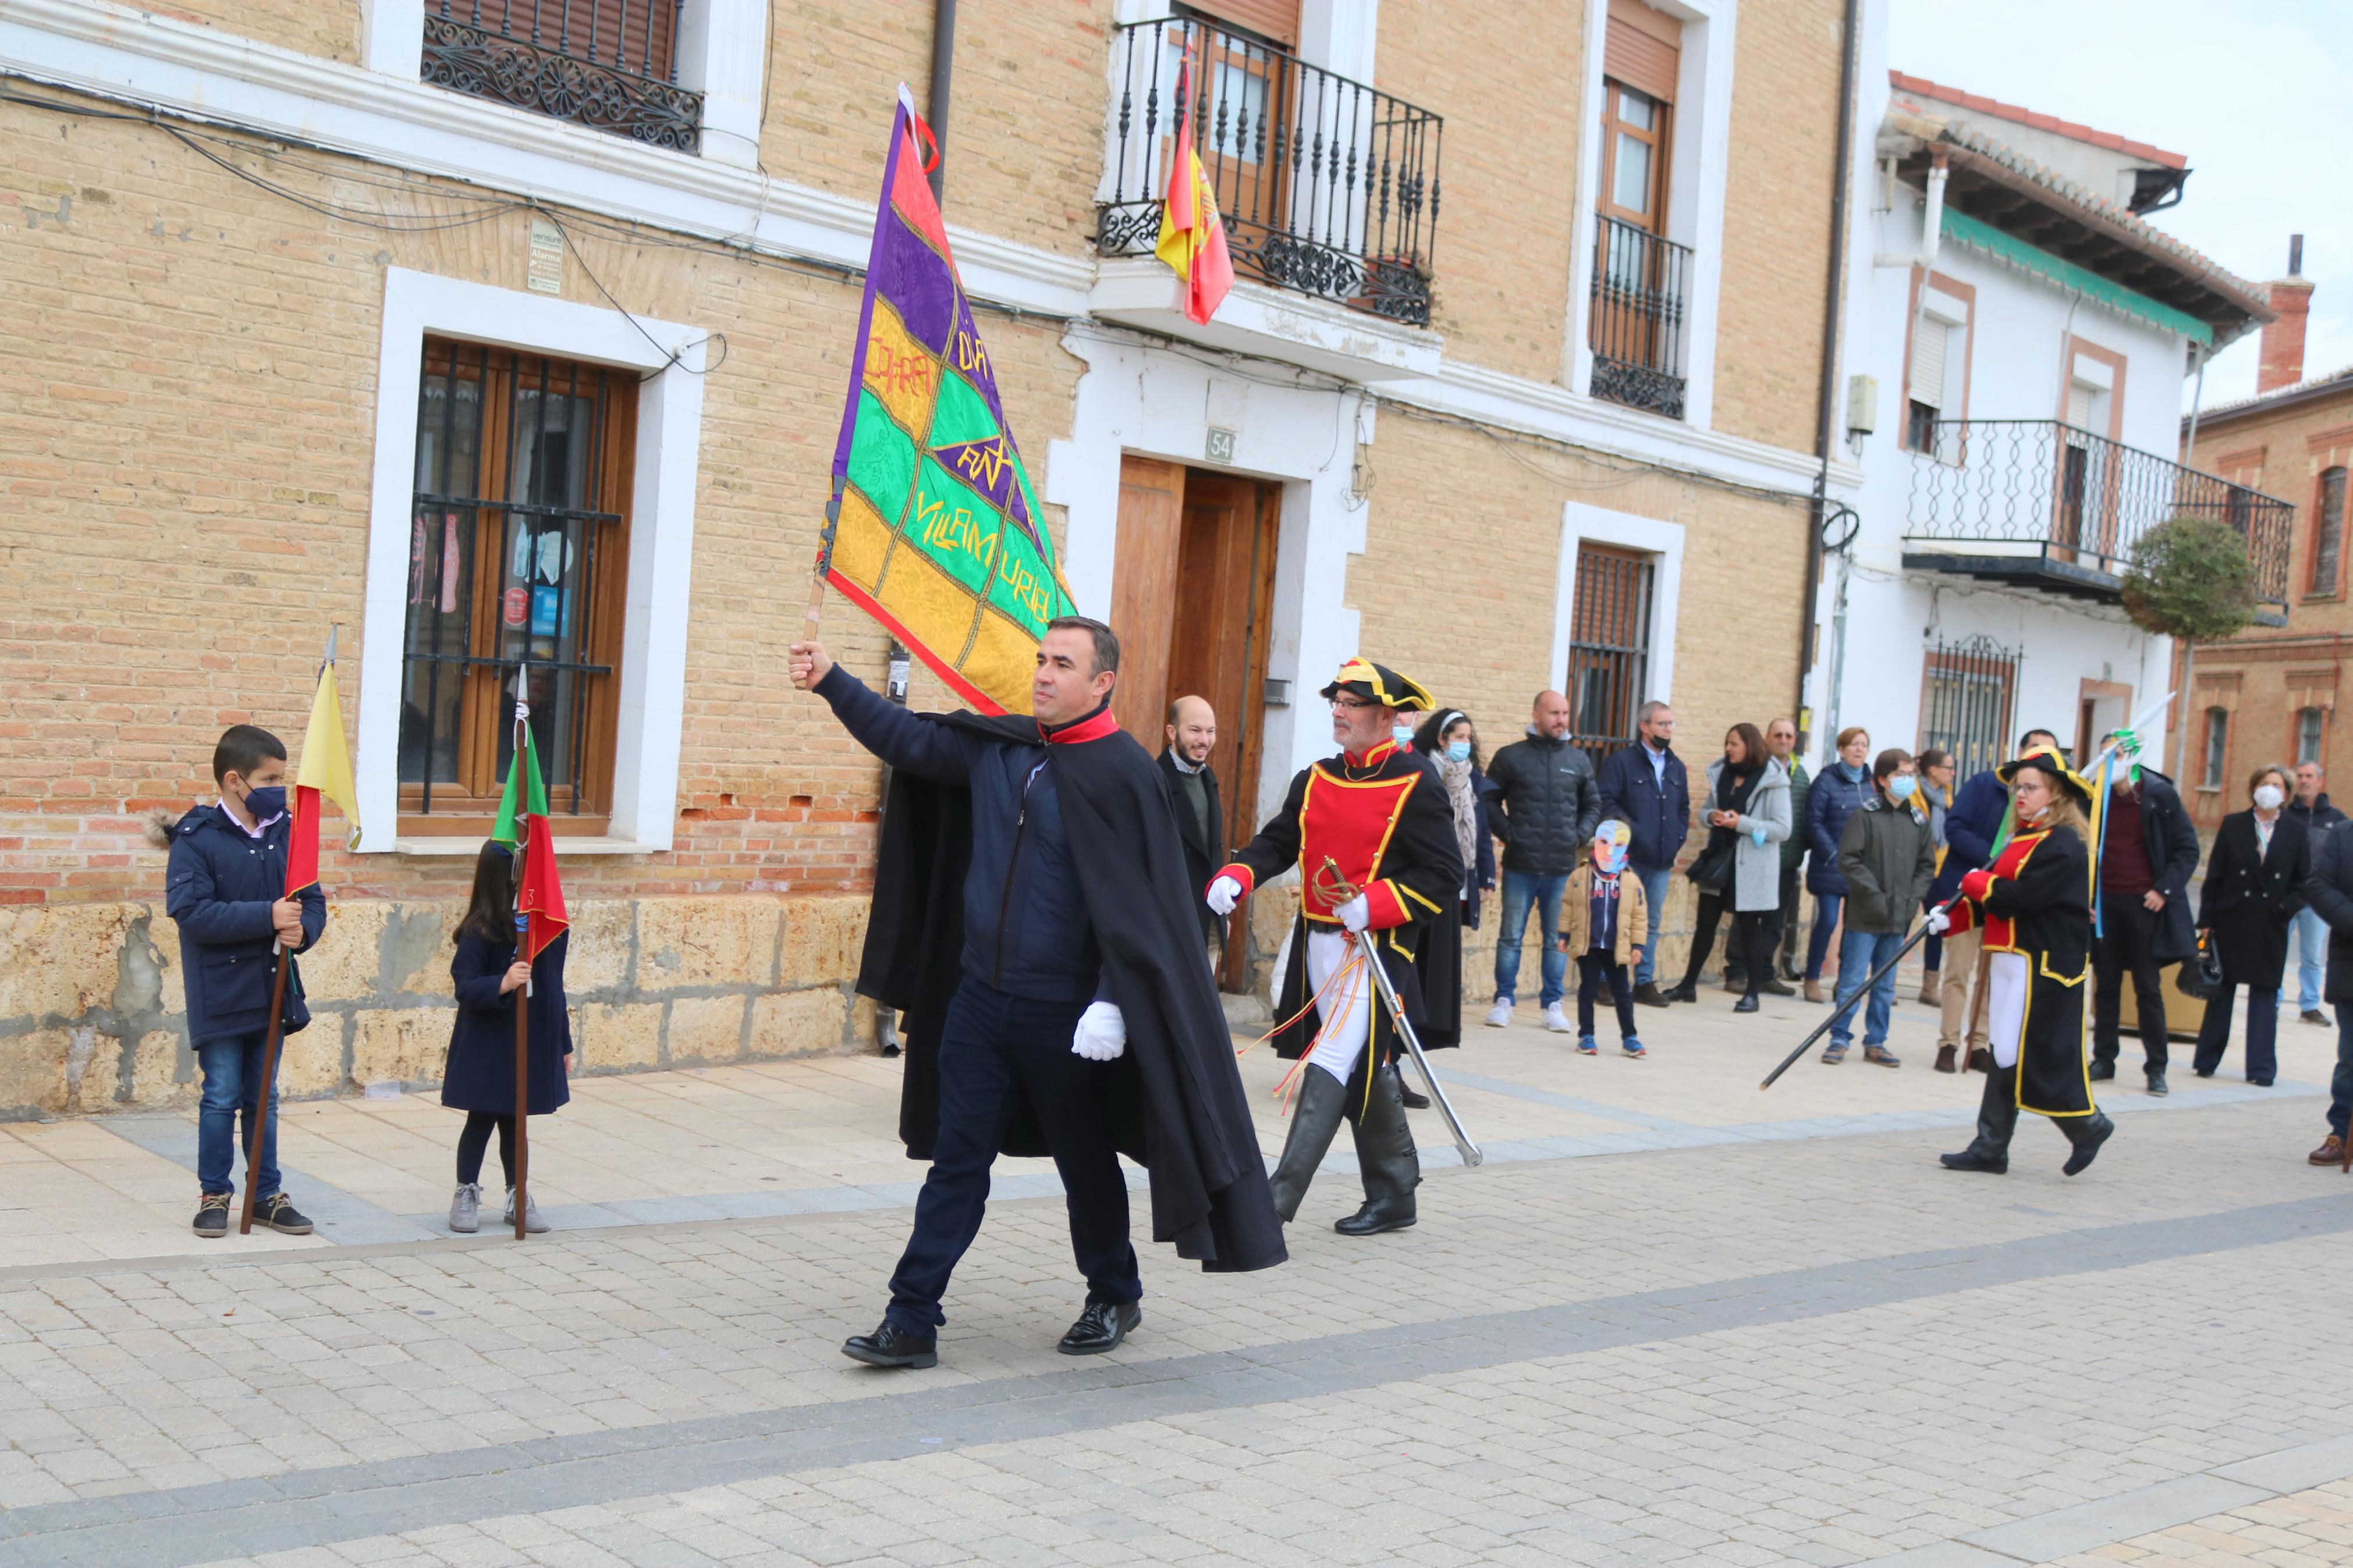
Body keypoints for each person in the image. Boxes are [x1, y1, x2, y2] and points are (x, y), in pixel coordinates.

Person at [793, 620, 1284, 1371]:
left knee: (1083, 1162)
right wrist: (832, 677)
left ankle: (1114, 1290)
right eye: (1041, 660)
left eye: (1063, 663)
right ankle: (911, 1316)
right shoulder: (1005, 748)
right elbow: (908, 739)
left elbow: (1150, 905)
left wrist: (1111, 999)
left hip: (1068, 1013)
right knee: (957, 1162)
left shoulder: (1124, 773)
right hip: (980, 1001)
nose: (1044, 674)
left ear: (1102, 681)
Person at [1210, 658, 1463, 1237]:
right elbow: (1279, 841)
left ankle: (1270, 1205)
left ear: (1383, 715)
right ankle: (1395, 1192)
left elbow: (1444, 874)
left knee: (1329, 1061)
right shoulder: (1316, 776)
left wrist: (1374, 902)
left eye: (1349, 704)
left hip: (1373, 952)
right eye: (1335, 702)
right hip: (1317, 945)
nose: (1337, 711)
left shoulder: (1414, 781)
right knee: (1362, 1068)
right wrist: (1241, 874)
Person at [165, 724, 326, 1240]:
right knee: (221, 1094)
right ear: (235, 781)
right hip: (221, 991)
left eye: (282, 776)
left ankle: (264, 1193)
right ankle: (215, 1194)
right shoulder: (197, 837)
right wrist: (269, 915)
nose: (280, 787)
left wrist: (303, 929)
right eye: (270, 778)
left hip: (273, 986)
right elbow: (191, 912)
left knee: (265, 1096)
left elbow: (312, 900)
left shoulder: (287, 831)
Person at [1936, 746, 2115, 1176]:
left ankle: (2083, 1126)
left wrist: (1976, 881)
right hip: (2011, 959)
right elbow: (1997, 899)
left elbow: (2022, 897)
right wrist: (1951, 914)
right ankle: (1992, 1146)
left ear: (2054, 793)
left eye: (2030, 787)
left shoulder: (2065, 843)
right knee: (2004, 1053)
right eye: (2018, 786)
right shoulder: (2024, 835)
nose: (2019, 794)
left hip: (2043, 965)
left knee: (2032, 1056)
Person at [441, 840, 572, 1235]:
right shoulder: (480, 930)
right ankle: (466, 1191)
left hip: (528, 1040)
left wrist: (562, 1041)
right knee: (480, 1119)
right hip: (487, 1042)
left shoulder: (544, 930)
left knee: (517, 1123)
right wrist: (503, 981)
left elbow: (554, 988)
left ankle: (519, 1193)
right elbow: (465, 985)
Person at [1935, 728, 2061, 1073]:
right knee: (1958, 972)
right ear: (2020, 752)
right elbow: (1955, 826)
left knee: (1994, 978)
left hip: (2006, 900)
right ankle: (1947, 1043)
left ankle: (1979, 1043)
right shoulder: (1983, 785)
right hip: (1970, 893)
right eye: (2035, 749)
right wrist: (1990, 860)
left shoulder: (2049, 810)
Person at [2088, 730, 2198, 1096]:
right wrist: (2086, 899)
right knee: (2106, 986)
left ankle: (2157, 1068)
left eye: (2116, 756)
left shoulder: (2159, 794)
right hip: (2105, 906)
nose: (2111, 764)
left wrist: (2162, 890)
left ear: (2131, 758)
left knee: (2148, 989)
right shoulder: (2094, 798)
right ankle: (2104, 1059)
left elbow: (2186, 850)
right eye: (2105, 757)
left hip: (2144, 905)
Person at [1482, 689, 1599, 1031]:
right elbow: (1489, 801)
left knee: (1556, 939)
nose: (1561, 720)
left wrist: (1579, 836)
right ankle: (1504, 1001)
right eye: (1554, 713)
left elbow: (1593, 804)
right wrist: (1509, 834)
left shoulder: (1578, 761)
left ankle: (1553, 1005)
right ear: (1536, 716)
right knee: (1510, 937)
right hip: (1520, 864)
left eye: (1565, 713)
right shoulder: (1510, 757)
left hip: (1562, 867)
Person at [2191, 765, 2310, 1087]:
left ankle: (2260, 1069)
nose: (2270, 789)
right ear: (2254, 788)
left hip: (2271, 923)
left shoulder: (2297, 830)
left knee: (2265, 996)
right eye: (2264, 783)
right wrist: (2206, 921)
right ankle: (2206, 1060)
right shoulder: (2234, 824)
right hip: (2232, 919)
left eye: (2276, 784)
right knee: (2221, 992)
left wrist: (2285, 908)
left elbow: (2305, 881)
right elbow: (2214, 876)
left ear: (2285, 793)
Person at [1666, 723, 1790, 1015]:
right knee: (1705, 924)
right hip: (1719, 859)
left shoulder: (1773, 779)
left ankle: (1752, 993)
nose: (1728, 749)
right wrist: (1714, 816)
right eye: (1727, 743)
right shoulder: (1722, 773)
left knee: (1748, 929)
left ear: (1749, 745)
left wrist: (1741, 823)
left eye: (1734, 744)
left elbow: (1783, 829)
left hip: (1752, 865)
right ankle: (1688, 986)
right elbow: (1705, 810)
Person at [1825, 749, 1935, 1066]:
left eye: (1911, 774)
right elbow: (1850, 860)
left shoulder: (1918, 821)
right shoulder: (1866, 815)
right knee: (1852, 981)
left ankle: (1876, 1041)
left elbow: (1926, 866)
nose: (1908, 781)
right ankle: (1838, 1038)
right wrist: (1873, 895)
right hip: (1865, 914)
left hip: (1900, 914)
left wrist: (1913, 898)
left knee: (1886, 985)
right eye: (1901, 775)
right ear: (1884, 780)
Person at [1411, 709, 1497, 1077]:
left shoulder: (1471, 779)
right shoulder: (1422, 770)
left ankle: (1421, 1039)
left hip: (1457, 880)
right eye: (1458, 736)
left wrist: (1486, 877)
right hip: (1425, 879)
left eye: (1468, 737)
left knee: (1439, 968)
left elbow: (1480, 829)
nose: (1464, 743)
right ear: (1441, 738)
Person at [1596, 701, 1690, 1007]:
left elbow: (1683, 809)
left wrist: (1677, 839)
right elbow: (1607, 802)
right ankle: (1607, 980)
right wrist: (1632, 832)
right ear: (1645, 727)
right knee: (1618, 918)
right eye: (1662, 724)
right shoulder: (1621, 762)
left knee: (1650, 921)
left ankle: (1644, 981)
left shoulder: (1676, 766)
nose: (1668, 730)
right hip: (1627, 858)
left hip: (1661, 860)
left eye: (1671, 724)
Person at [1557, 821, 1648, 1056]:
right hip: (1589, 945)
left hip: (1617, 947)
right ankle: (1586, 1036)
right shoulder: (1580, 876)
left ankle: (1630, 1037)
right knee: (1587, 991)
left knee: (1623, 994)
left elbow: (1639, 915)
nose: (1610, 850)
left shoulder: (1631, 880)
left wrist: (1637, 945)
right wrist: (1564, 935)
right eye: (1605, 842)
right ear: (1595, 843)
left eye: (1618, 844)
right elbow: (1568, 907)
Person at [1800, 727, 1872, 1004]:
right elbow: (1814, 822)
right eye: (1854, 744)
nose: (1859, 749)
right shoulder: (1826, 781)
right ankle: (1812, 977)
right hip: (1830, 865)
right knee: (1828, 921)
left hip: (1860, 869)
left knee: (1854, 927)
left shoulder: (1870, 784)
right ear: (1841, 749)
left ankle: (1846, 980)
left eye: (1864, 745)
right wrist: (1833, 854)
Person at [1736, 716, 1806, 995]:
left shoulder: (1800, 773)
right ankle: (1738, 972)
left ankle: (1765, 973)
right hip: (1757, 856)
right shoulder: (1758, 768)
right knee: (1748, 918)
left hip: (1787, 858)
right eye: (1778, 735)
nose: (1784, 741)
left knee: (1775, 922)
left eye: (1789, 736)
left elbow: (1802, 814)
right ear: (1767, 738)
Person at [2303, 824, 2353, 1164]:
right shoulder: (2344, 836)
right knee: (2351, 1058)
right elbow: (2318, 885)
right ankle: (2342, 1135)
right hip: (2351, 964)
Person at [1159, 695, 1224, 957]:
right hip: (1172, 924)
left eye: (1211, 731)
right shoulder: (1155, 780)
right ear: (1172, 732)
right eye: (1195, 730)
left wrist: (1220, 919)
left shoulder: (1209, 777)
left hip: (1208, 918)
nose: (1205, 740)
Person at [2287, 761, 2346, 1027]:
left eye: (2309, 776)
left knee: (2312, 956)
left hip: (2317, 902)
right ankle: (2273, 1000)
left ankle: (2309, 1005)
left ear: (2320, 781)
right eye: (2299, 776)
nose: (2304, 781)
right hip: (2287, 897)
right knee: (2277, 950)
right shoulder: (2286, 815)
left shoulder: (2336, 820)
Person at [1916, 749, 1956, 1006]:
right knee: (1900, 926)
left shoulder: (1947, 796)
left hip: (1940, 869)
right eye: (1948, 768)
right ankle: (1886, 979)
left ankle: (1929, 987)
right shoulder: (1915, 793)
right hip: (1915, 867)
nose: (1952, 773)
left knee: (1936, 926)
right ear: (1933, 770)